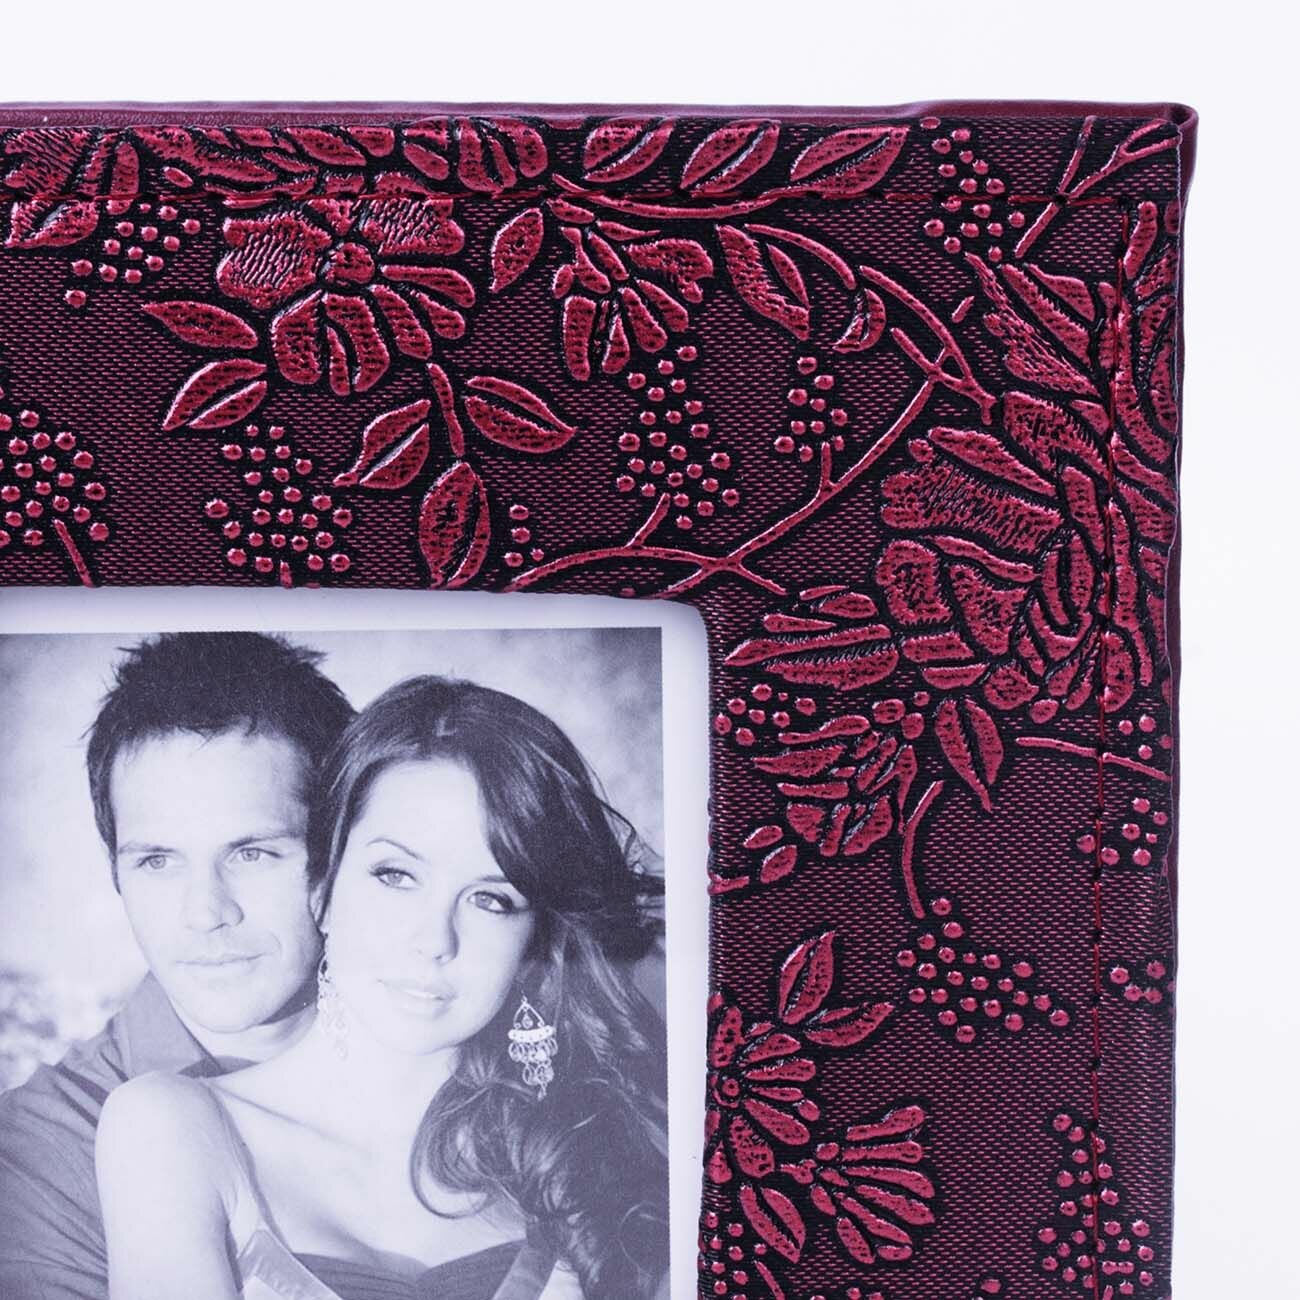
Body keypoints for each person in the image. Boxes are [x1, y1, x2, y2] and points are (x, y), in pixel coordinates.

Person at [95, 675, 670, 1300]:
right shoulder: (169, 1127)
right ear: (322, 890)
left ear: (534, 939)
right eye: (395, 875)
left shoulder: (588, 1154)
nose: (434, 940)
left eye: (490, 898)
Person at [0, 632, 355, 1300]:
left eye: (252, 853)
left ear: (342, 850)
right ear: (116, 873)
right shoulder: (36, 1160)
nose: (204, 913)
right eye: (157, 860)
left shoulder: (464, 1043)